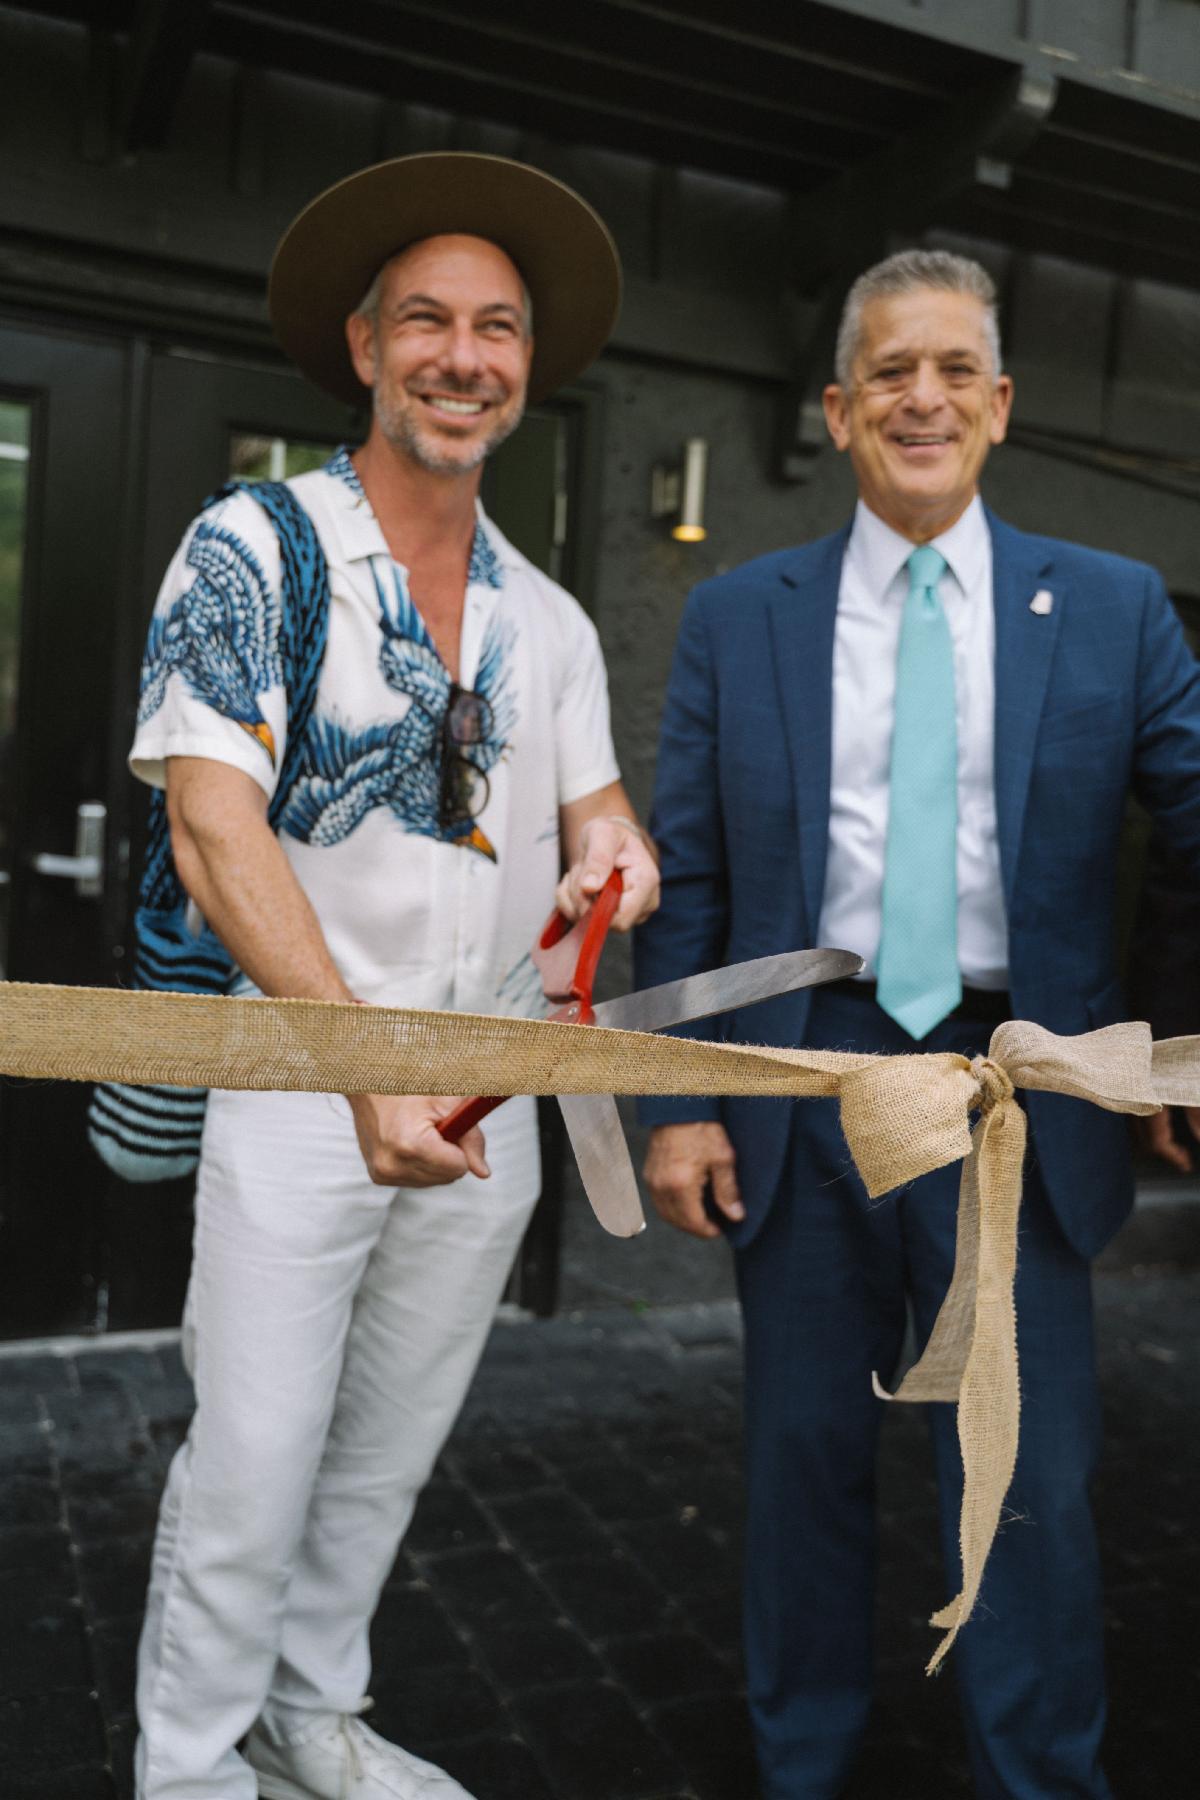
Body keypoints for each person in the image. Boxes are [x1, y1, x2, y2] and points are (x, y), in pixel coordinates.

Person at [634, 248, 1200, 1800]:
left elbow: (1198, 826)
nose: (924, 397)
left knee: (1028, 1488)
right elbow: (691, 874)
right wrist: (676, 1105)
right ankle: (801, 1769)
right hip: (801, 1086)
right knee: (802, 1472)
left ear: (1001, 404)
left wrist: (1167, 1042)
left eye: (956, 370)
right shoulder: (737, 615)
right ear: (839, 409)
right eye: (891, 370)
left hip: (1017, 1097)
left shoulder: (1116, 607)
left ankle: (1039, 1780)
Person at [128, 152, 659, 1800]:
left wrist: (615, 864)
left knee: (382, 1456)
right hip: (304, 1082)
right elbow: (213, 830)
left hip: (492, 1095)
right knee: (255, 1454)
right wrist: (364, 1071)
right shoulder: (251, 545)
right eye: (426, 319)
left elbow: (600, 816)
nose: (462, 356)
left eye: (497, 328)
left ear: (527, 367)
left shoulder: (553, 622)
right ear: (363, 347)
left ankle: (310, 1718)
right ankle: (191, 1768)